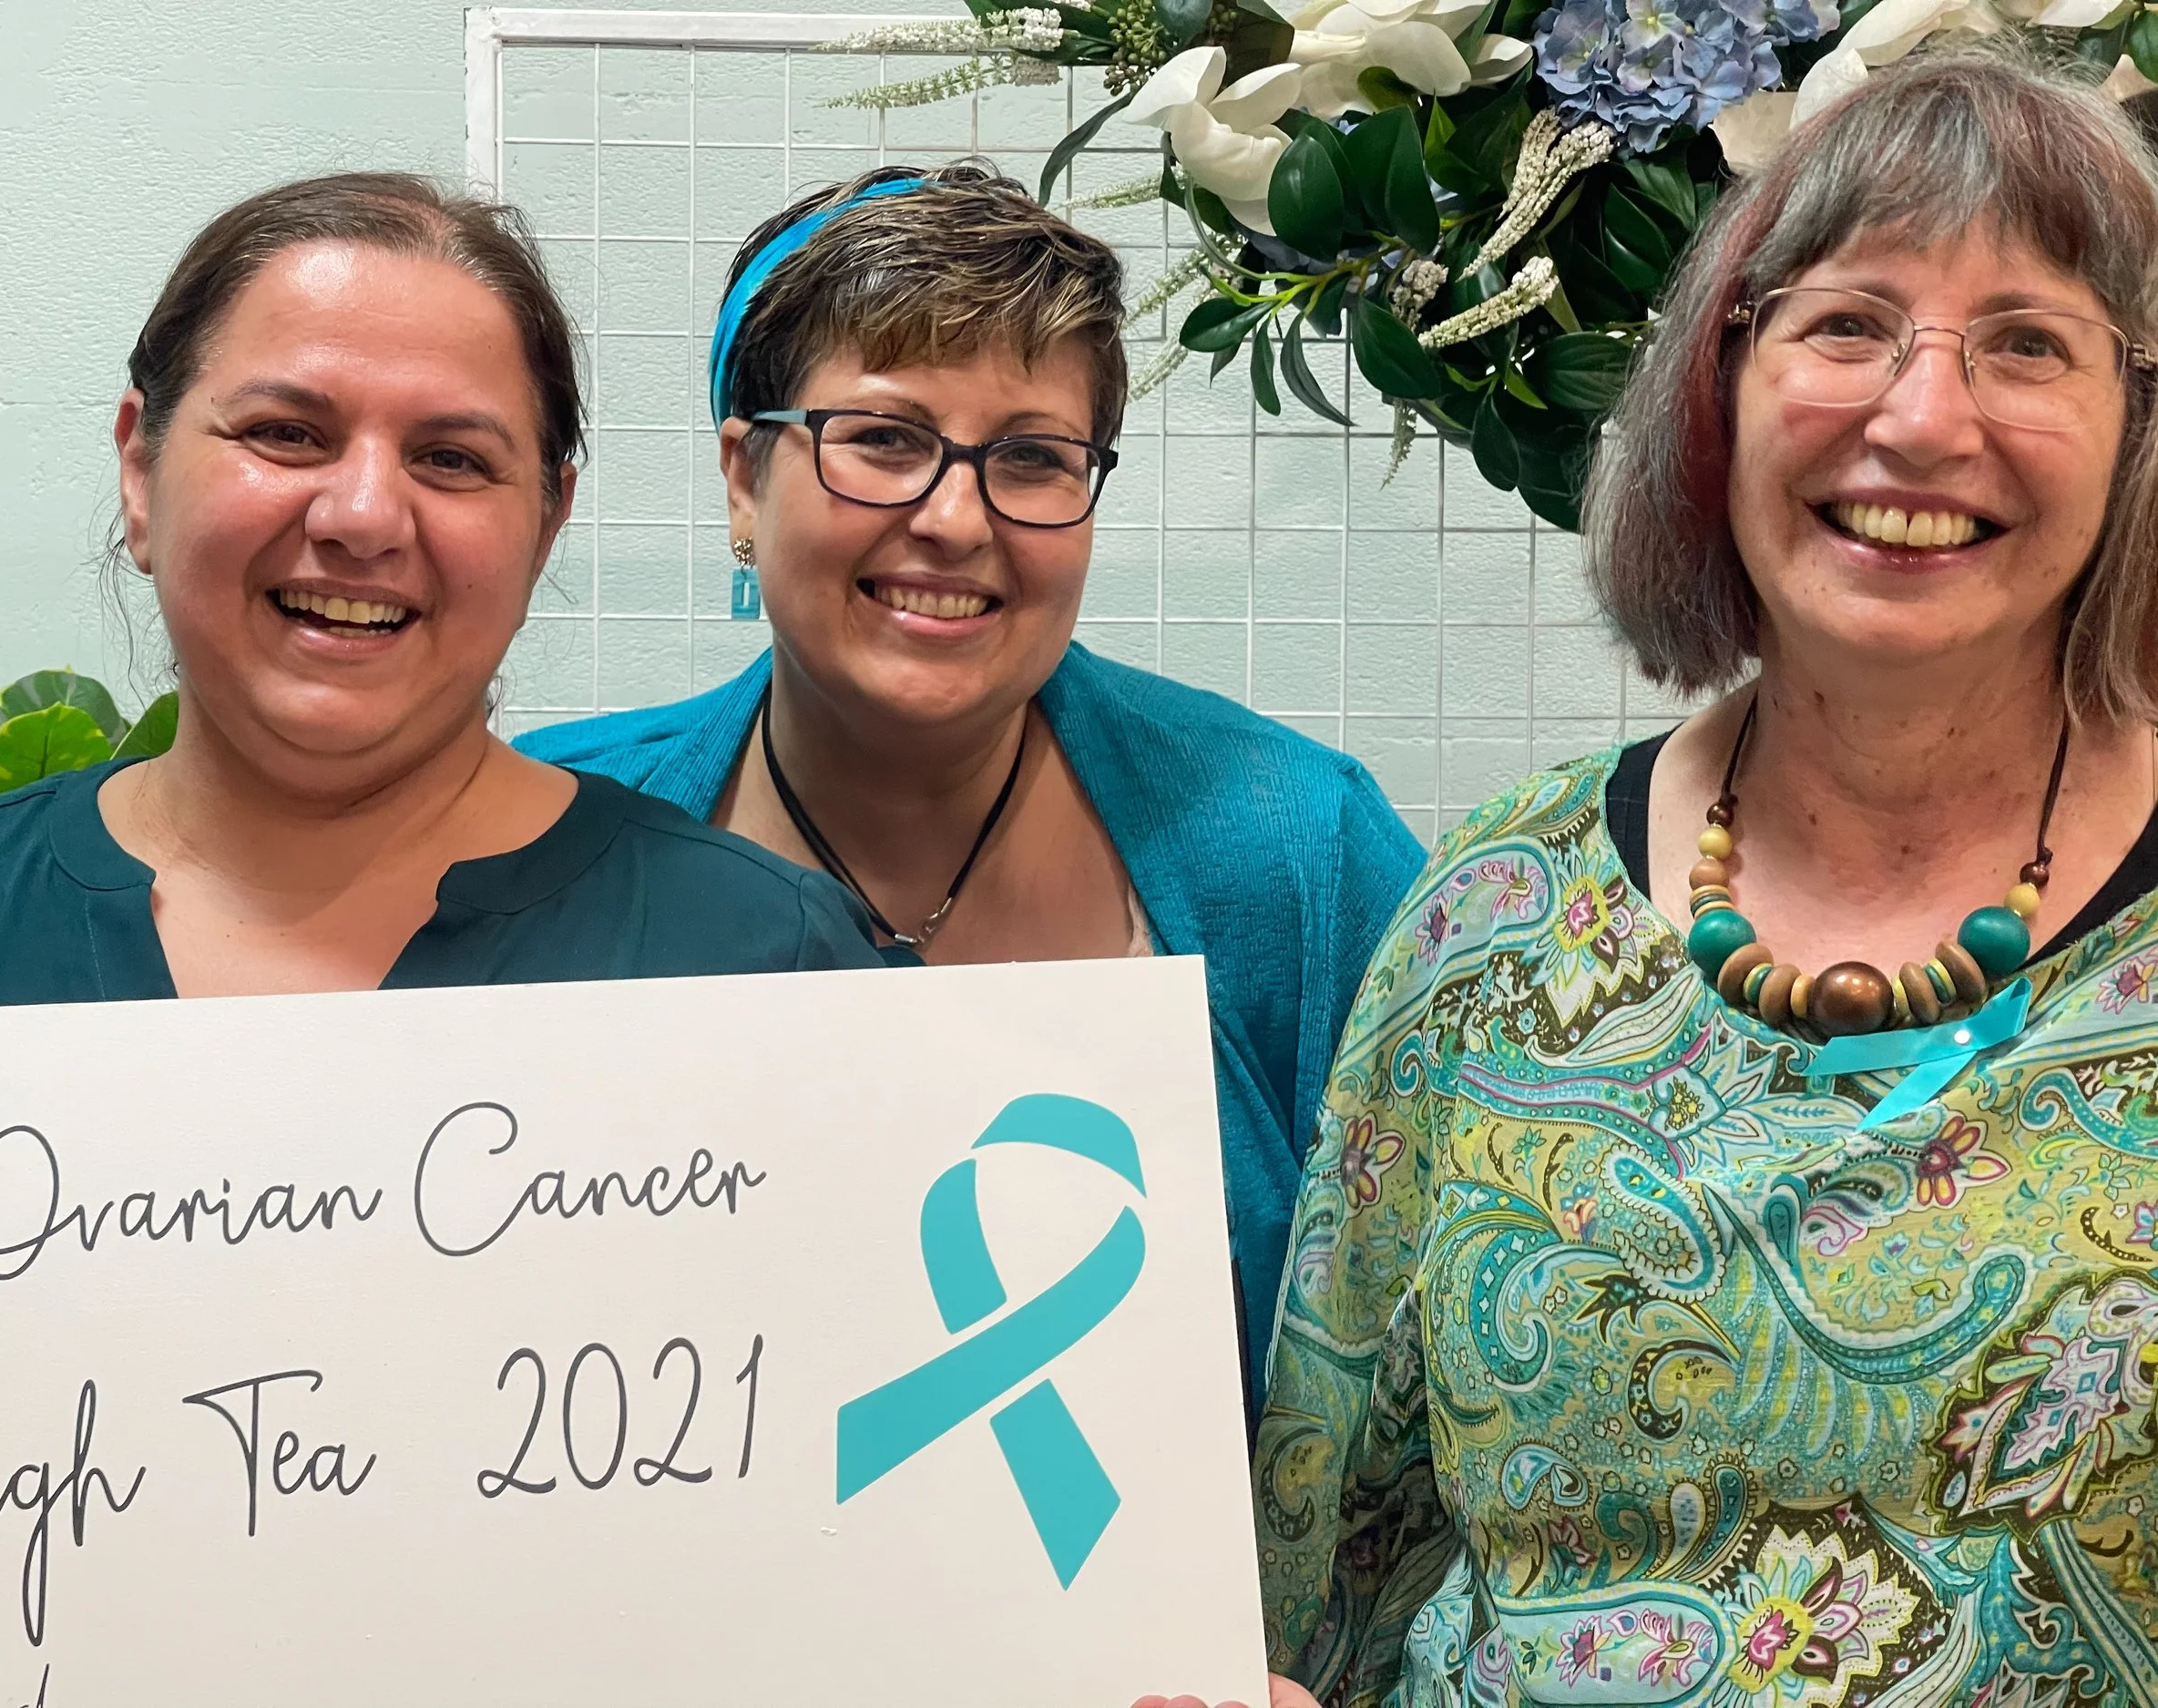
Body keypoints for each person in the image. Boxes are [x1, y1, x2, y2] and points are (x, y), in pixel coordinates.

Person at [1247, 48, 2158, 1708]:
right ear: (1711, 397)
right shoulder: (1490, 912)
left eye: (2028, 342)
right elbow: (1316, 1560)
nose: (1923, 416)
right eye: (1845, 324)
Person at [515, 163, 1426, 1426]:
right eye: (882, 439)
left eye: (1034, 458)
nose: (954, 516)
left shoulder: (1298, 853)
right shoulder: (545, 834)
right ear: (742, 478)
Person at [0, 172, 880, 1009]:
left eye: (449, 458)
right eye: (285, 433)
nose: (361, 516)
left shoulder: (761, 960)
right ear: (140, 474)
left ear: (545, 525)